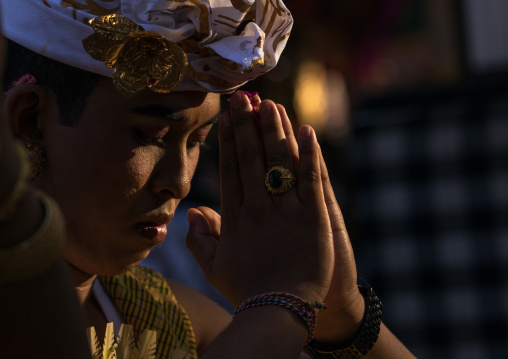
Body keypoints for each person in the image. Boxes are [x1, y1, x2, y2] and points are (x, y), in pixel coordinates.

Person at [0, 1, 415, 358]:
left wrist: (340, 313)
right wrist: (283, 300)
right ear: (30, 121)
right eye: (150, 136)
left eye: (198, 140)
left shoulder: (160, 317)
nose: (179, 183)